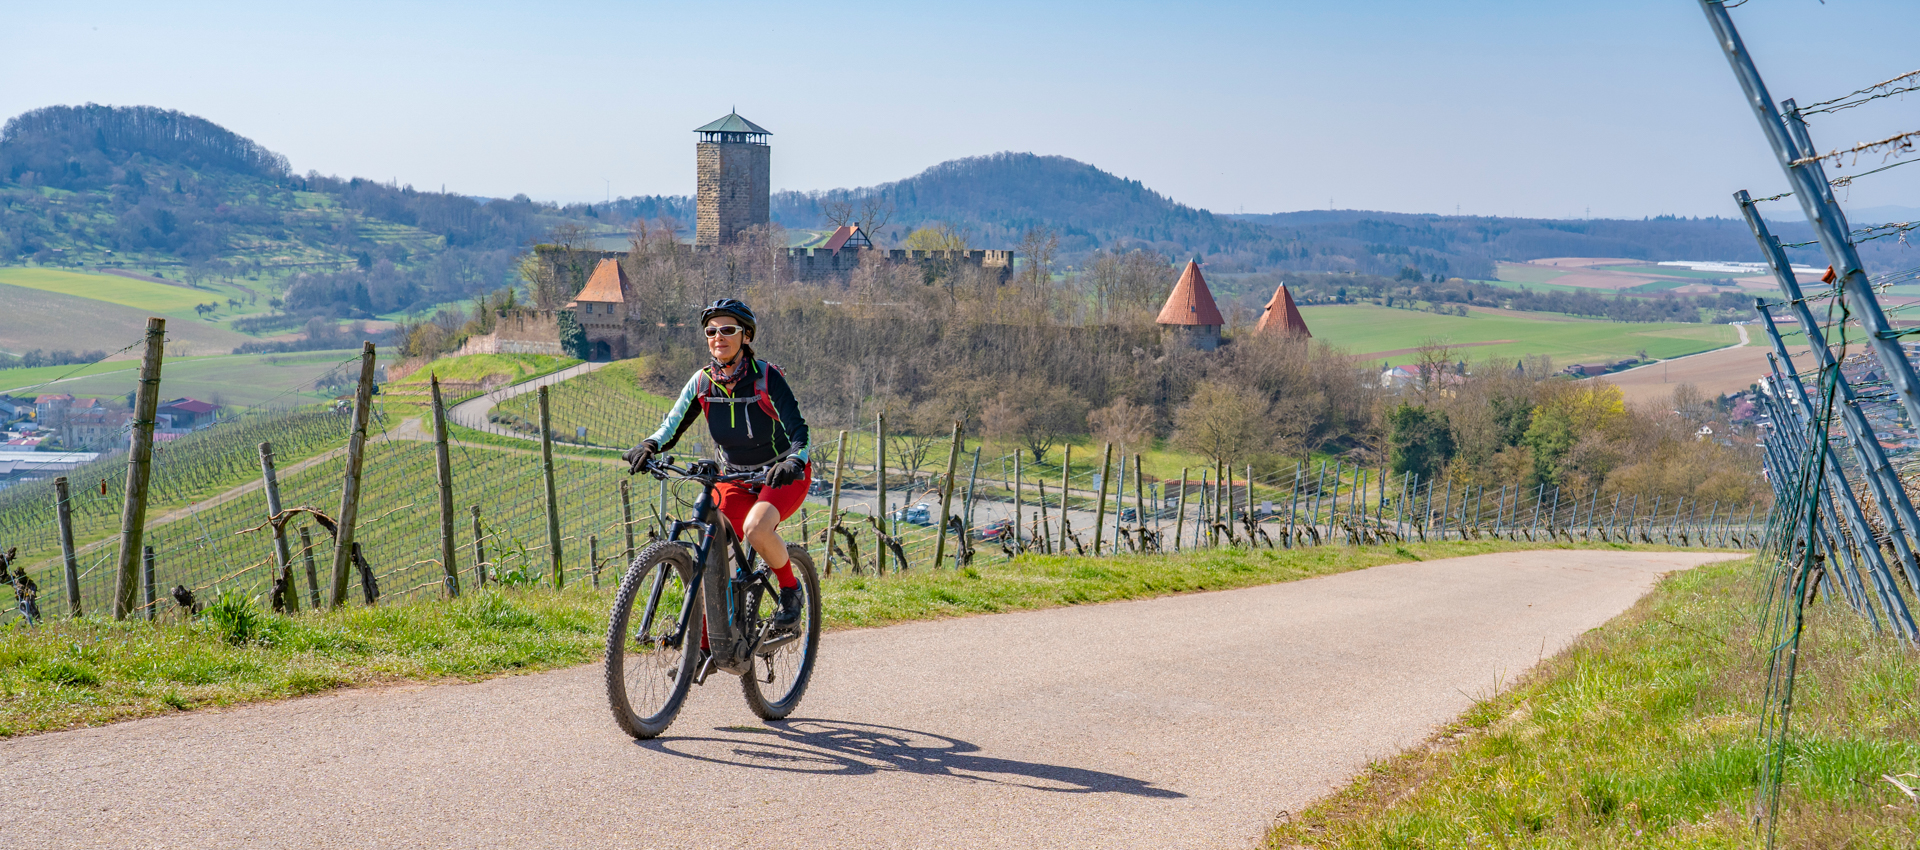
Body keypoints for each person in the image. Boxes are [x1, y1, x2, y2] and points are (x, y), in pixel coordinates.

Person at [624, 299, 810, 626]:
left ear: (746, 336)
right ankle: (710, 644)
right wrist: (650, 444)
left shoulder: (767, 377)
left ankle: (790, 588)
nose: (717, 337)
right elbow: (672, 424)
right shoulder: (702, 382)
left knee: (756, 529)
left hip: (782, 475)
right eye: (711, 331)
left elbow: (799, 430)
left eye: (727, 330)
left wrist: (794, 460)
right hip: (735, 478)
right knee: (711, 552)